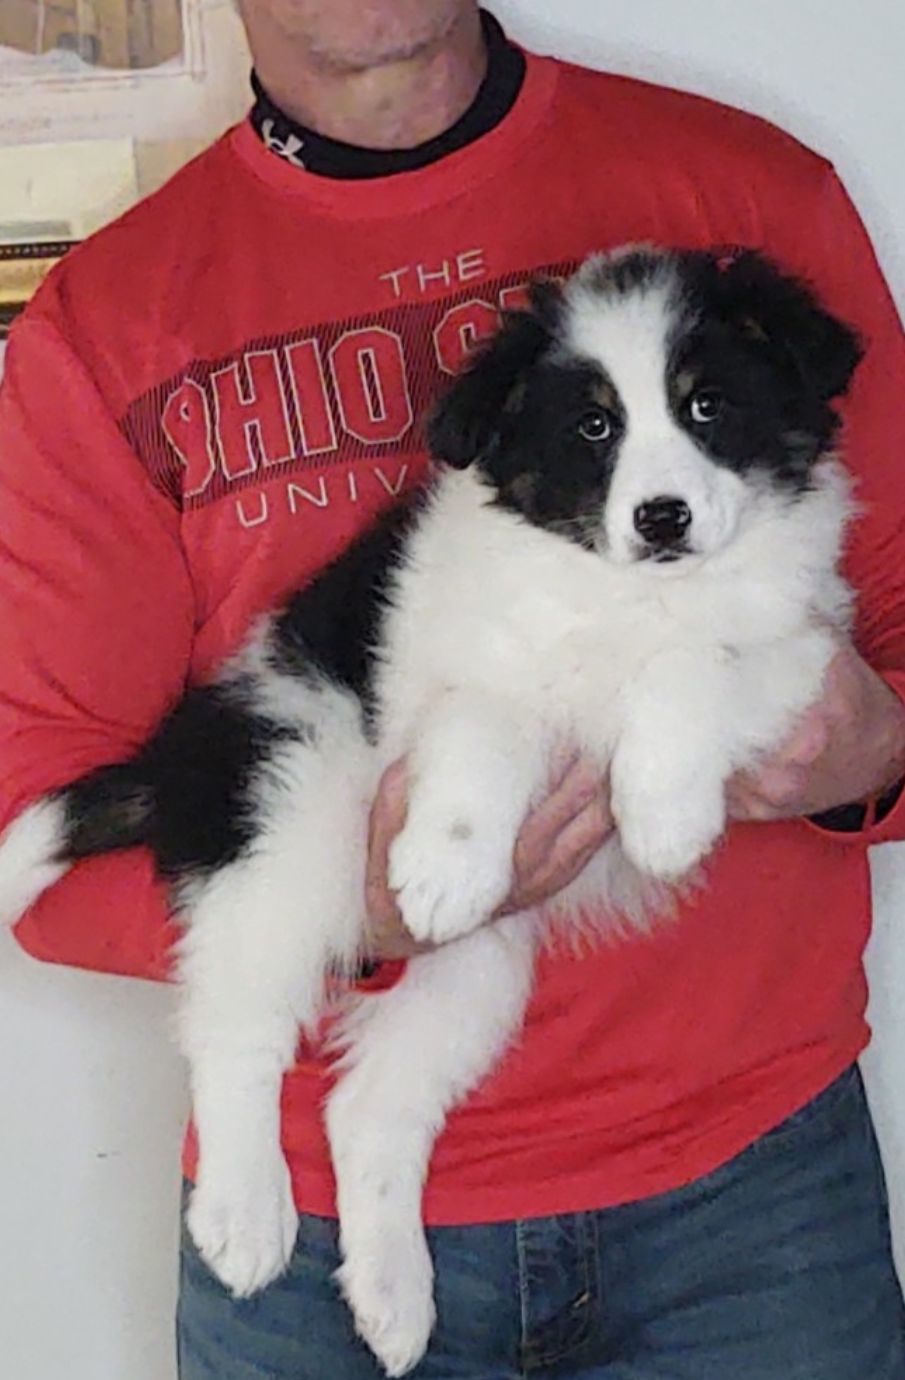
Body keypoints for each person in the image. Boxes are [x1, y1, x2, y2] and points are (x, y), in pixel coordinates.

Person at [2, 3, 905, 1376]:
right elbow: (39, 806)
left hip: (753, 1198)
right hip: (304, 1242)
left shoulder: (746, 200)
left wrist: (870, 755)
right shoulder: (108, 320)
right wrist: (343, 915)